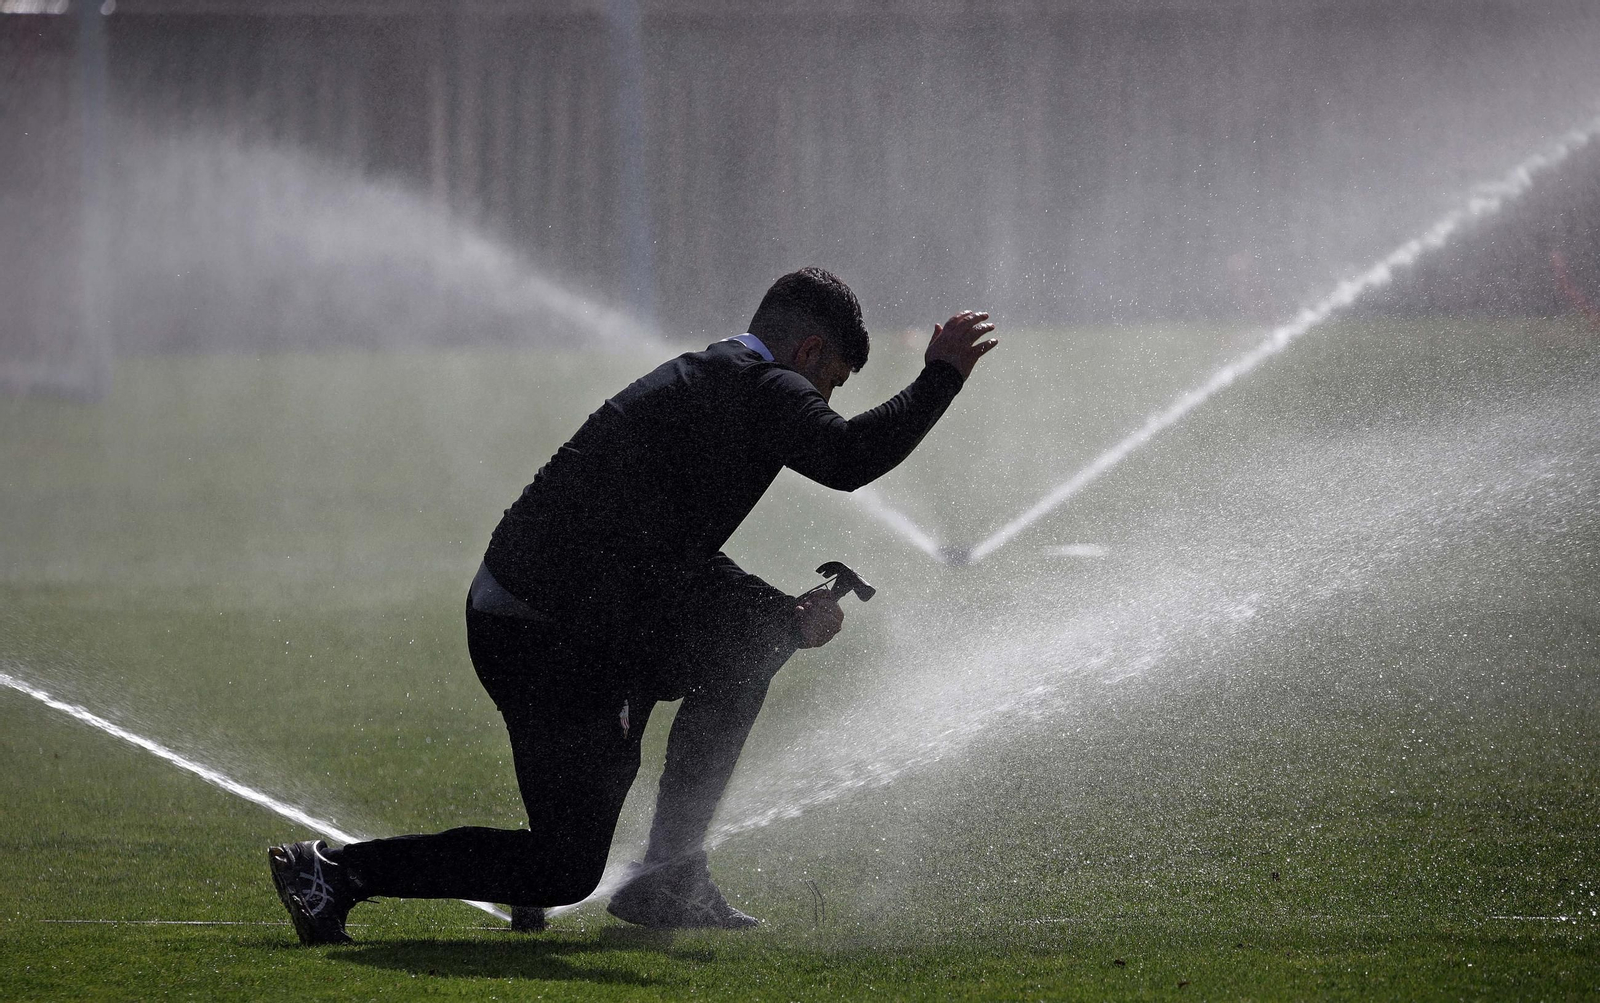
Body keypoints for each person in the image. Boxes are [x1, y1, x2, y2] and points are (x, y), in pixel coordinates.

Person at [266, 267, 998, 943]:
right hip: (547, 632)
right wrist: (942, 376)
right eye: (830, 384)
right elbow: (848, 457)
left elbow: (675, 560)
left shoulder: (718, 383)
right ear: (807, 352)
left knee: (746, 649)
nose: (825, 403)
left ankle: (665, 878)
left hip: (550, 616)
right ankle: (333, 872)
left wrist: (781, 615)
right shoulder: (757, 385)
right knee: (564, 866)